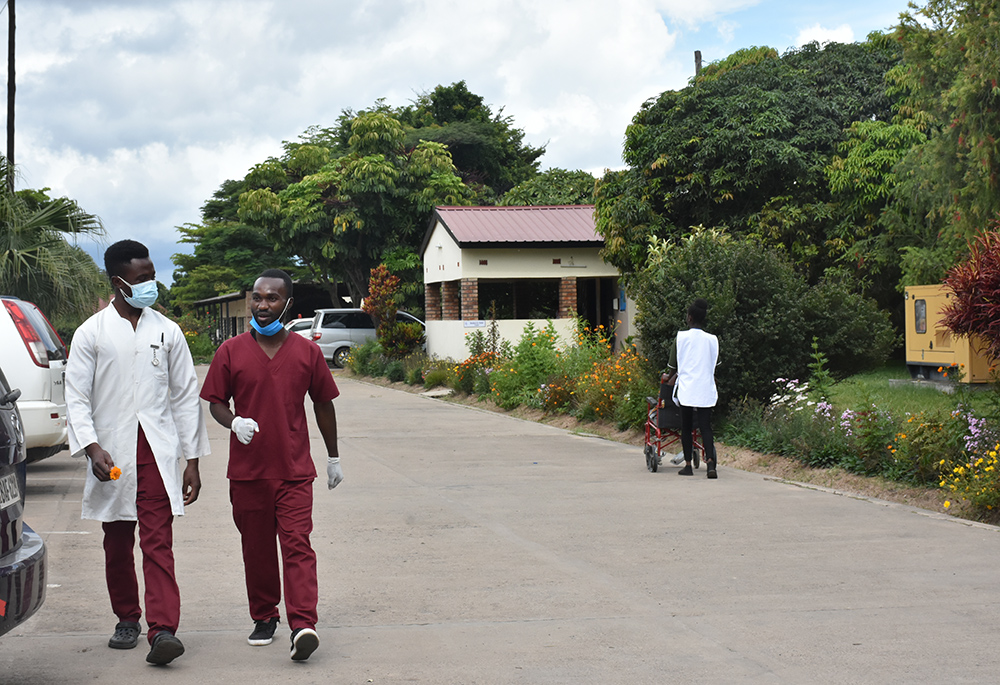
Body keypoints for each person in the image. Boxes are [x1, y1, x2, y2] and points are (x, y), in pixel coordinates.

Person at [65, 239, 209, 666]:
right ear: (118, 282)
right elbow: (76, 397)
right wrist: (91, 446)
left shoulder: (166, 330)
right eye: (142, 278)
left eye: (152, 276)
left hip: (156, 455)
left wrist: (192, 460)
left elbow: (186, 397)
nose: (151, 284)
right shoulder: (91, 333)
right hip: (111, 455)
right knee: (116, 541)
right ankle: (127, 618)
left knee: (158, 542)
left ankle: (163, 629)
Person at [200, 268, 342, 662]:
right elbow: (214, 401)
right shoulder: (230, 351)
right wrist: (234, 422)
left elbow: (323, 403)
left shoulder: (307, 352)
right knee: (257, 549)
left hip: (295, 470)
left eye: (272, 299)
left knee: (298, 545)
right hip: (247, 472)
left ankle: (303, 625)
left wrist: (332, 457)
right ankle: (265, 617)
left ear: (288, 304)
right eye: (257, 298)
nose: (262, 306)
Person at [669, 298, 719, 479]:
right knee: (705, 427)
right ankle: (711, 464)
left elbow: (673, 367)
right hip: (705, 388)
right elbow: (714, 364)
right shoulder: (712, 340)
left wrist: (669, 376)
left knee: (686, 426)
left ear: (689, 318)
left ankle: (688, 465)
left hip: (688, 389)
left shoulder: (681, 338)